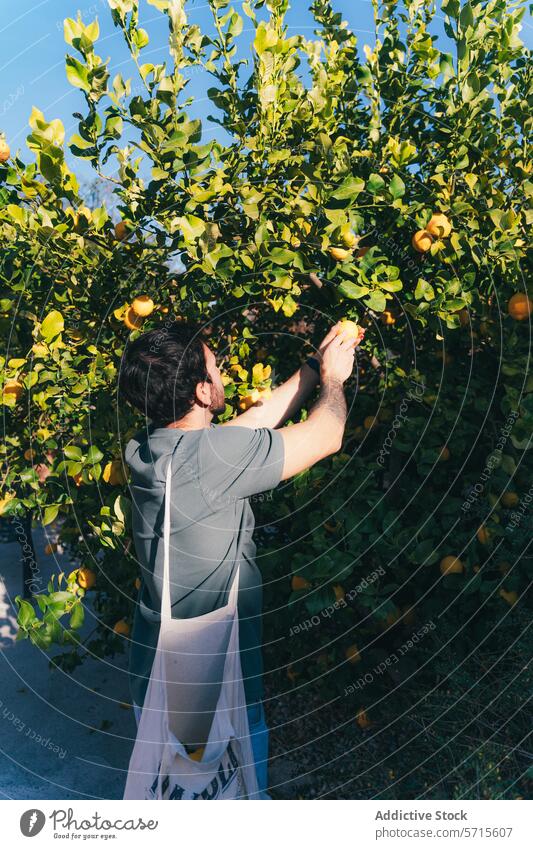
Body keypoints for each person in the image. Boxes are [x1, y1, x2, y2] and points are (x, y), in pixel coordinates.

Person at [118, 318, 364, 796]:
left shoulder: (146, 449)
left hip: (159, 674)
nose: (222, 372)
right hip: (215, 684)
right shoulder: (212, 459)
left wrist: (313, 366)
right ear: (202, 391)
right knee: (235, 791)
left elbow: (243, 429)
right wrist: (334, 379)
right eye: (214, 367)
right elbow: (327, 434)